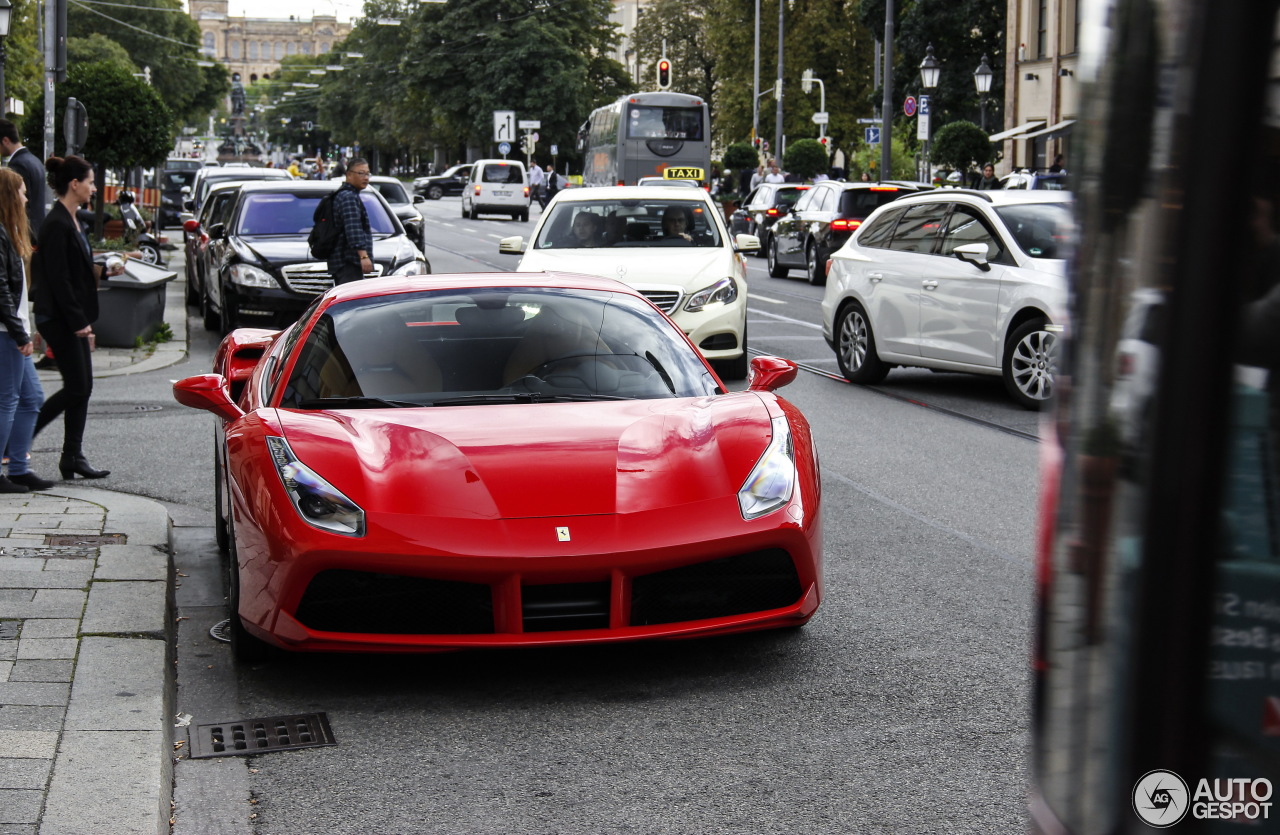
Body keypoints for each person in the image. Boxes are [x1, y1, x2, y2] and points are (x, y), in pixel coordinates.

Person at [31, 155, 124, 480]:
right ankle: (19, 442)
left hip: (71, 316)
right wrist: (77, 321)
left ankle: (72, 455)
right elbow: (59, 279)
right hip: (59, 318)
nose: (94, 188)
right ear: (75, 184)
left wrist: (105, 270)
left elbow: (75, 268)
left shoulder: (73, 219)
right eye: (90, 182)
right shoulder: (56, 223)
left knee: (82, 387)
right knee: (76, 387)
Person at [0, 169, 51, 491]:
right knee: (8, 400)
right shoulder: (1, 235)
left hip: (12, 329)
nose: (26, 197)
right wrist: (20, 334)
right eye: (21, 191)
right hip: (6, 332)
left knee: (32, 398)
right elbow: (1, 290)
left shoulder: (9, 232)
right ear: (8, 196)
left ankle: (18, 467)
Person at [327, 158, 374, 285]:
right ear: (349, 175)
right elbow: (353, 229)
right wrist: (363, 257)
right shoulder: (349, 197)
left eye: (367, 173)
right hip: (348, 262)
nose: (365, 178)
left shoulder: (345, 194)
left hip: (344, 262)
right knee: (351, 300)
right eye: (361, 173)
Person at [0, 119, 48, 240]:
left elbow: (17, 205)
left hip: (26, 235)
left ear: (5, 140)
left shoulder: (17, 165)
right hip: (38, 232)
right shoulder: (35, 161)